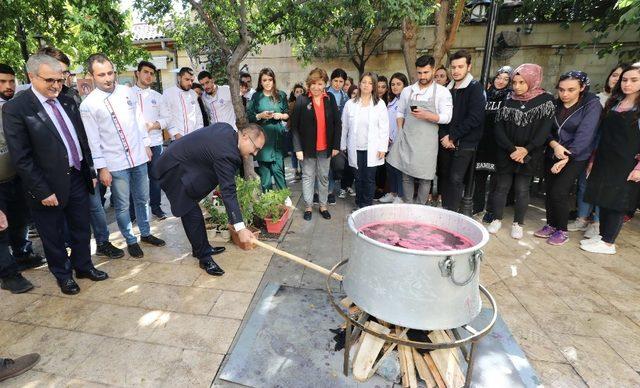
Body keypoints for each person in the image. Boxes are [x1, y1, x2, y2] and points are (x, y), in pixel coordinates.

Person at [3, 53, 108, 295]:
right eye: (49, 80)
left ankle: (83, 266)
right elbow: (22, 157)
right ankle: (63, 275)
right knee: (54, 235)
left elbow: (81, 140)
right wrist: (42, 190)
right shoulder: (17, 109)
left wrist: (89, 170)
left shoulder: (68, 100)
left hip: (77, 177)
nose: (56, 85)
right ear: (31, 76)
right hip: (46, 186)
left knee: (82, 227)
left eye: (60, 80)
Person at [80, 53, 165, 259]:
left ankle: (145, 233)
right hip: (114, 162)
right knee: (122, 204)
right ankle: (130, 239)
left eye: (110, 73)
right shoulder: (88, 105)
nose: (107, 78)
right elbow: (93, 140)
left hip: (138, 156)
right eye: (101, 75)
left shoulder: (127, 92)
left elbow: (138, 120)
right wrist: (102, 167)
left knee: (143, 198)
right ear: (92, 76)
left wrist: (145, 144)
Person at [153, 123, 265, 274]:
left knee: (192, 208)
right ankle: (204, 257)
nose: (255, 153)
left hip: (181, 163)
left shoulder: (226, 129)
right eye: (255, 148)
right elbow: (228, 191)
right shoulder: (228, 153)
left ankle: (202, 248)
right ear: (244, 136)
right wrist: (240, 228)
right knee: (191, 212)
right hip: (173, 169)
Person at [487, 64, 555, 239]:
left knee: (522, 189)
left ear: (532, 81)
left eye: (522, 82)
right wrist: (512, 149)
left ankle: (518, 223)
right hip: (506, 152)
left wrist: (526, 149)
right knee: (501, 187)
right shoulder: (507, 99)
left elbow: (544, 131)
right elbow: (498, 128)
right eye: (515, 82)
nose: (517, 86)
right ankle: (496, 218)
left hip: (530, 154)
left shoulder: (545, 101)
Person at [533, 71, 601, 245]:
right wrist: (555, 146)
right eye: (561, 90)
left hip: (576, 156)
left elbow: (586, 135)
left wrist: (567, 158)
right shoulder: (555, 105)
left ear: (582, 88)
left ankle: (562, 230)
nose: (565, 94)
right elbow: (546, 130)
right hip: (553, 152)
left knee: (560, 192)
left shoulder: (591, 105)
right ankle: (551, 224)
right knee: (550, 190)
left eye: (571, 90)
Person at [583, 64, 640, 254]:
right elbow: (600, 135)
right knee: (603, 198)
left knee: (618, 202)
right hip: (605, 159)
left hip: (626, 163)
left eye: (634, 80)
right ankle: (602, 236)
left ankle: (609, 242)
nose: (627, 84)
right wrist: (592, 159)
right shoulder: (614, 103)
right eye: (625, 80)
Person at [0, 64, 47, 273]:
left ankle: (23, 254)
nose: (8, 86)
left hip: (19, 175)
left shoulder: (19, 104)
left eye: (11, 81)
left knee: (20, 219)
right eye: (2, 82)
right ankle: (7, 270)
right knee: (1, 225)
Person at [387, 55, 453, 205]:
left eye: (426, 72)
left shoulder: (442, 92)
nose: (422, 76)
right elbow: (400, 112)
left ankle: (421, 207)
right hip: (408, 138)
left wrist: (428, 115)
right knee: (406, 175)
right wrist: (400, 131)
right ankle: (408, 205)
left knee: (425, 177)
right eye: (419, 73)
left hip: (428, 142)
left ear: (433, 70)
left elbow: (447, 117)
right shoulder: (408, 91)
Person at [570, 63, 628, 236]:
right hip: (591, 146)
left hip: (611, 151)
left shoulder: (624, 104)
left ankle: (597, 222)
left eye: (623, 77)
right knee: (584, 183)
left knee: (604, 186)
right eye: (615, 75)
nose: (617, 80)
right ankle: (582, 218)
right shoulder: (597, 99)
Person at [437, 50, 486, 212]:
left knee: (456, 179)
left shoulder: (475, 88)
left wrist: (453, 137)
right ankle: (445, 209)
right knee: (444, 177)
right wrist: (444, 136)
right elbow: (442, 116)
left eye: (460, 66)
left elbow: (475, 117)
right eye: (453, 67)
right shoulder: (447, 89)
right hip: (446, 142)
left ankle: (452, 214)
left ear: (469, 67)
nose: (456, 70)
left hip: (464, 144)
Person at [290, 68, 342, 220]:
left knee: (324, 177)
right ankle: (308, 207)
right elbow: (294, 127)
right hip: (307, 148)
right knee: (307, 176)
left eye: (320, 84)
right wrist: (297, 148)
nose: (316, 87)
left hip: (325, 147)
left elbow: (337, 123)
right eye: (313, 83)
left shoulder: (330, 98)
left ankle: (323, 205)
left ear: (325, 84)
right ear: (309, 84)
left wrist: (336, 146)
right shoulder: (302, 100)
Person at [341, 72, 389, 209]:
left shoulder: (380, 104)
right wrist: (342, 144)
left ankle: (367, 206)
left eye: (370, 83)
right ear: (360, 84)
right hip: (355, 148)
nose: (366, 85)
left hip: (372, 149)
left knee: (369, 178)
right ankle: (359, 204)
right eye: (364, 82)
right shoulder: (350, 104)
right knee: (358, 177)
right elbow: (344, 126)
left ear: (373, 86)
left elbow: (384, 128)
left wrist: (382, 148)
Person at [473, 66, 512, 220]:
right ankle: (477, 207)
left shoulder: (510, 98)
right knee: (479, 179)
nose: (500, 81)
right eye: (498, 77)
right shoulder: (485, 95)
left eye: (505, 79)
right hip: (483, 143)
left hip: (499, 145)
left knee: (496, 182)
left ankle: (491, 210)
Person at [133, 60, 169, 220]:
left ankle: (156, 207)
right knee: (136, 180)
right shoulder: (127, 95)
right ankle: (134, 213)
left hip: (155, 143)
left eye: (151, 73)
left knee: (155, 177)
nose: (148, 75)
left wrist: (153, 126)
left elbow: (167, 119)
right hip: (135, 144)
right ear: (137, 73)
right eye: (145, 72)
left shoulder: (158, 97)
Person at [247, 68, 289, 192]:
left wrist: (280, 115)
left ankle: (284, 196)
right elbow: (249, 116)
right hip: (261, 138)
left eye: (270, 79)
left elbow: (287, 114)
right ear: (260, 82)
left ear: (273, 80)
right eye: (264, 80)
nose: (267, 82)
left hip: (277, 136)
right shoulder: (256, 96)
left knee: (278, 169)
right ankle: (268, 199)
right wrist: (260, 115)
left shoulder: (281, 95)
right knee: (265, 173)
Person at [378, 72, 409, 204]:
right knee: (390, 168)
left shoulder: (407, 100)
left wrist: (393, 137)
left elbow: (404, 122)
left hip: (400, 140)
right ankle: (393, 192)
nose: (395, 87)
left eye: (398, 84)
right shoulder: (393, 100)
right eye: (393, 84)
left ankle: (400, 196)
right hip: (389, 141)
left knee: (398, 169)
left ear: (405, 85)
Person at [325, 68, 351, 204]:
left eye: (341, 81)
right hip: (324, 134)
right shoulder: (324, 94)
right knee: (324, 165)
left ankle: (331, 189)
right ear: (331, 80)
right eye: (335, 80)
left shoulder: (346, 97)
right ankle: (326, 192)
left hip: (338, 135)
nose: (338, 84)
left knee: (336, 164)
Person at [163, 67, 203, 140]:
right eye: (187, 79)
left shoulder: (193, 94)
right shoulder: (168, 93)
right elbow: (166, 116)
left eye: (192, 80)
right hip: (177, 138)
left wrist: (199, 132)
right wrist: (176, 134)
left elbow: (198, 115)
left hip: (194, 137)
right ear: (179, 78)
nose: (190, 83)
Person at [287, 83, 306, 180]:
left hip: (303, 131)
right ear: (294, 94)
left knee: (302, 151)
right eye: (297, 92)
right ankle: (295, 170)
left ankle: (303, 170)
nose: (299, 93)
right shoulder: (291, 104)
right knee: (294, 152)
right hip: (293, 131)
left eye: (301, 92)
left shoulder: (307, 103)